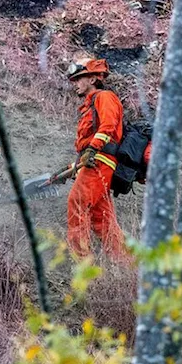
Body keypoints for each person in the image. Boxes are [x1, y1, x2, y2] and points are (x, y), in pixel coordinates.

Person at [64, 55, 127, 259]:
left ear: (92, 79)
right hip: (95, 161)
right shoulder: (89, 105)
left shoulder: (104, 97)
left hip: (99, 161)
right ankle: (125, 266)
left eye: (79, 78)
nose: (75, 84)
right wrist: (79, 163)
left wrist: (92, 149)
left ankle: (82, 264)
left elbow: (107, 126)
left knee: (76, 203)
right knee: (102, 218)